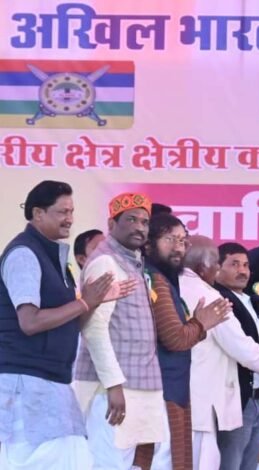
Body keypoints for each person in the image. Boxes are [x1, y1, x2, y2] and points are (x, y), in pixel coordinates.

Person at [0, 181, 123, 469]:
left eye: (71, 211)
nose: (69, 219)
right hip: (25, 383)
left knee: (74, 459)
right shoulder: (24, 254)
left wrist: (95, 302)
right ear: (38, 213)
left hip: (52, 382)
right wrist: (84, 303)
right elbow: (30, 322)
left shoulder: (54, 257)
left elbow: (67, 323)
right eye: (62, 212)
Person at [179, 236, 259, 470]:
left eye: (245, 265)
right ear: (204, 267)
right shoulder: (211, 297)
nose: (217, 269)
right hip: (209, 398)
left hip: (209, 397)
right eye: (219, 263)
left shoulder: (177, 287)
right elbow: (243, 349)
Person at [74, 192, 169, 469]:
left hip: (134, 386)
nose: (140, 227)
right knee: (109, 463)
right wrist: (114, 385)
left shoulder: (131, 262)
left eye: (144, 222)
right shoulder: (106, 262)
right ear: (111, 224)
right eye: (131, 219)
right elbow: (93, 329)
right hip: (112, 391)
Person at [134, 214, 230, 470]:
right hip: (160, 392)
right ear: (148, 244)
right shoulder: (154, 280)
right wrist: (201, 323)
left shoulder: (163, 279)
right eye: (170, 239)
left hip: (167, 390)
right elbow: (175, 338)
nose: (178, 247)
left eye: (182, 240)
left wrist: (197, 324)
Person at [213, 242, 259, 470]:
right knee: (229, 465)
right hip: (234, 399)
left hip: (257, 398)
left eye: (245, 265)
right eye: (234, 264)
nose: (242, 271)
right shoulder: (219, 300)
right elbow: (244, 352)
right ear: (217, 267)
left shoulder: (256, 302)